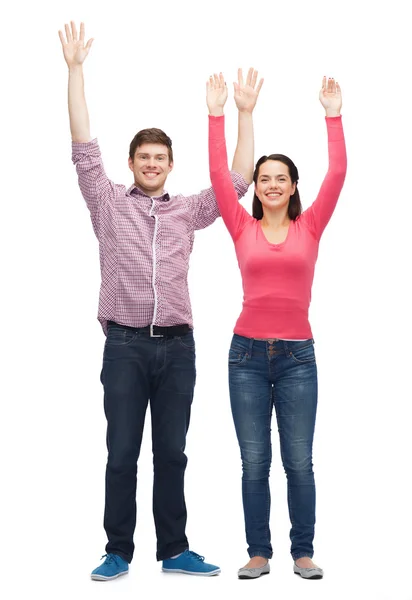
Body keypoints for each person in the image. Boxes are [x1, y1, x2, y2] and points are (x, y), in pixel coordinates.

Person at [58, 21, 253, 580]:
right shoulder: (106, 201)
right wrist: (75, 72)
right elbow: (82, 146)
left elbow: (237, 182)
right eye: (142, 157)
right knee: (121, 454)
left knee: (172, 454)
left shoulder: (187, 210)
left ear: (171, 165)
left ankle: (174, 551)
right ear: (131, 163)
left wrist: (242, 114)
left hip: (177, 349)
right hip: (123, 346)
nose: (150, 165)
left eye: (159, 159)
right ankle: (117, 548)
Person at [207, 71, 347, 579]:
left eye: (279, 178)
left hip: (297, 358)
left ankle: (303, 551)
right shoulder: (239, 224)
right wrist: (219, 114)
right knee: (252, 461)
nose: (270, 184)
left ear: (291, 188)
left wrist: (333, 117)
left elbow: (336, 176)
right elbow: (222, 178)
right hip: (245, 355)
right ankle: (259, 553)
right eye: (263, 177)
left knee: (299, 461)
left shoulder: (310, 224)